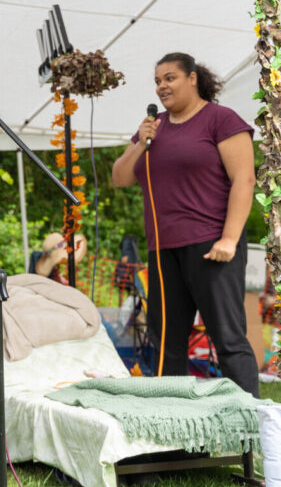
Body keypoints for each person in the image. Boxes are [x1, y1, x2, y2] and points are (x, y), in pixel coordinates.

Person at [111, 52, 259, 396]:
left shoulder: (220, 119)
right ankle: (172, 426)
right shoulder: (154, 128)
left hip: (211, 246)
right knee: (165, 345)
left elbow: (245, 180)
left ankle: (250, 426)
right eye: (158, 81)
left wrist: (229, 240)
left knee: (228, 338)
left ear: (193, 78)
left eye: (170, 78)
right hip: (163, 251)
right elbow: (120, 178)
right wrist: (140, 142)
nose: (162, 86)